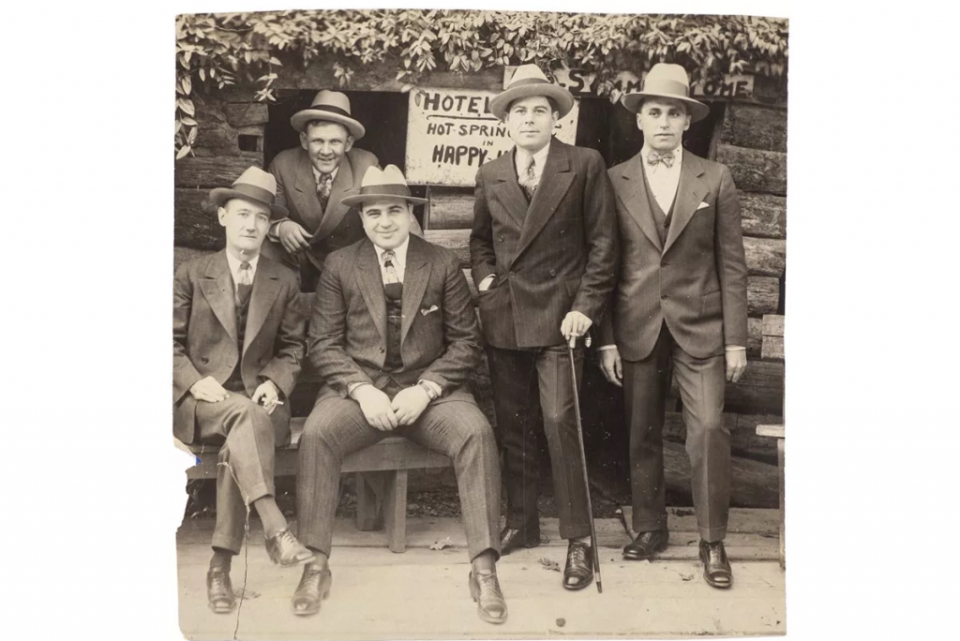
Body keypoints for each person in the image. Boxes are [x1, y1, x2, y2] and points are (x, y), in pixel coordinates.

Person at [293, 165, 507, 624]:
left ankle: (484, 568)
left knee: (476, 434)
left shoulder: (443, 262)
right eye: (374, 213)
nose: (384, 222)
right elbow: (323, 344)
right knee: (316, 435)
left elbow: (466, 342)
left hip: (428, 393)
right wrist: (360, 389)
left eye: (394, 211)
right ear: (363, 218)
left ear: (410, 214)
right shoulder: (341, 264)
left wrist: (427, 388)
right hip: (360, 393)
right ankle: (315, 563)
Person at [597, 63, 749, 589]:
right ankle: (649, 528)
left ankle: (712, 541)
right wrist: (608, 338)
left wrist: (735, 341)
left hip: (702, 326)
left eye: (674, 113)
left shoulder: (716, 177)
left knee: (707, 429)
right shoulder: (613, 179)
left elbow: (732, 265)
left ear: (688, 122)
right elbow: (606, 263)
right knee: (641, 433)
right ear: (640, 120)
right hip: (636, 324)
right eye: (654, 112)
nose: (664, 122)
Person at [469, 64, 619, 591]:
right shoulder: (491, 173)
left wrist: (586, 307)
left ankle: (579, 540)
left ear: (555, 118)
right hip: (506, 315)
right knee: (514, 424)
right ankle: (523, 523)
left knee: (560, 420)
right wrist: (487, 282)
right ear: (506, 120)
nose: (529, 118)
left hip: (563, 319)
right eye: (519, 110)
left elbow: (604, 244)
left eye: (539, 109)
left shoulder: (583, 164)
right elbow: (480, 241)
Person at [173, 167, 314, 614]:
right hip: (203, 401)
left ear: (268, 226)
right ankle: (275, 526)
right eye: (241, 215)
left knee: (244, 433)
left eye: (259, 217)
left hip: (259, 402)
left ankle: (220, 568)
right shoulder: (192, 274)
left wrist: (275, 381)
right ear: (222, 218)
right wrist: (195, 380)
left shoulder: (283, 279)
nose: (251, 226)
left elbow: (294, 348)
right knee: (241, 419)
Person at [264, 90, 421, 291]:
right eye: (318, 141)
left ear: (348, 143)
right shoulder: (283, 164)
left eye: (335, 142)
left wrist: (423, 261)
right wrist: (281, 227)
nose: (326, 151)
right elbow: (265, 212)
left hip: (350, 266)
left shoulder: (367, 165)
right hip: (299, 263)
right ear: (304, 140)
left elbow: (397, 211)